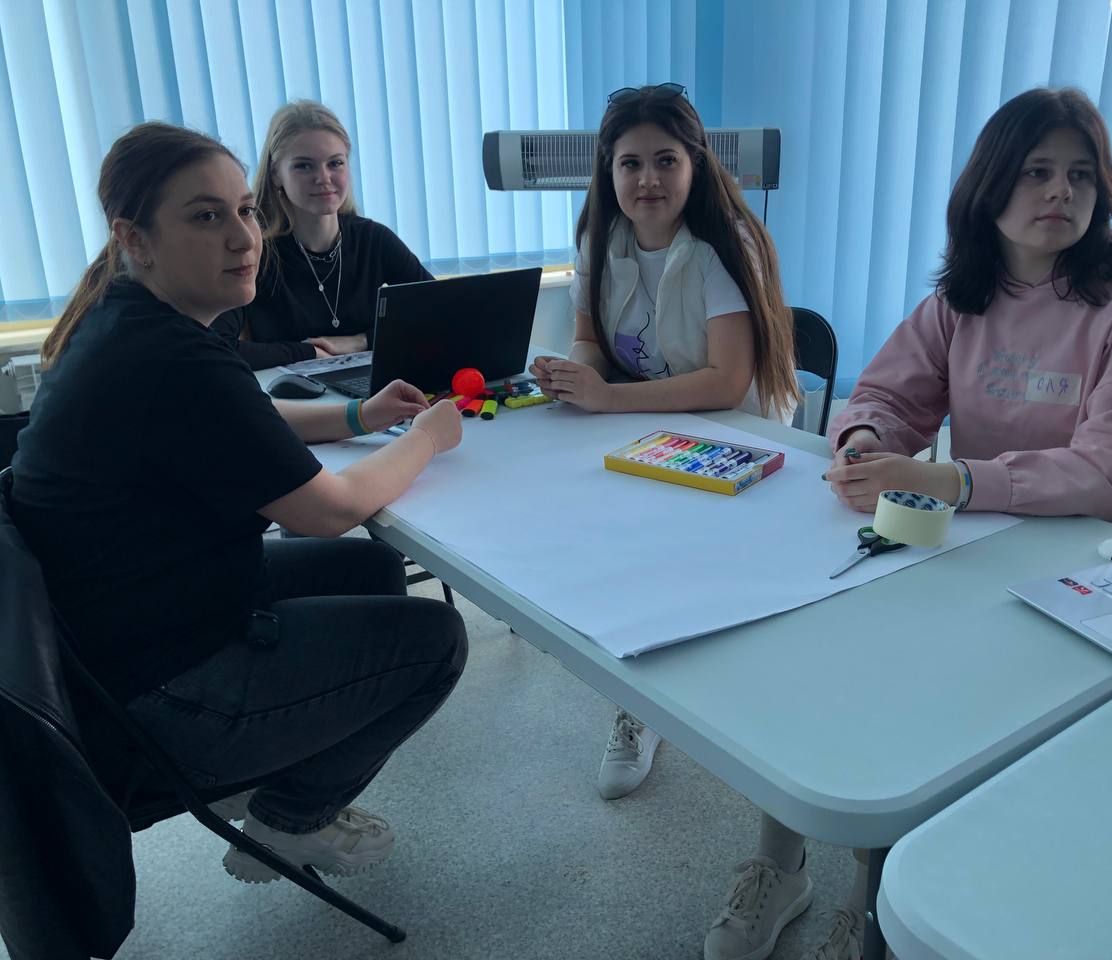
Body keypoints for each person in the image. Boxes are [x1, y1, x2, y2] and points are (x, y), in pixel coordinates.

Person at [703, 87, 1112, 960]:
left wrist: (954, 480)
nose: (1061, 191)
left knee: (931, 718)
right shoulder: (967, 289)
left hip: (1095, 564)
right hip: (986, 541)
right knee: (817, 648)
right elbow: (886, 393)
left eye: (1080, 175)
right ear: (989, 188)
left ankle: (874, 901)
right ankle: (780, 861)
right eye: (1037, 171)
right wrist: (863, 440)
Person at [9, 121, 467, 883]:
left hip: (113, 634)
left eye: (245, 211)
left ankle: (286, 755)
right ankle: (289, 820)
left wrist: (359, 415)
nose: (242, 236)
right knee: (440, 639)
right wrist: (426, 438)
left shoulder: (134, 323)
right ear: (135, 238)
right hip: (155, 692)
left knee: (370, 573)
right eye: (205, 216)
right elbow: (327, 509)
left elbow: (245, 416)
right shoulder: (172, 356)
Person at [528, 82, 801, 803]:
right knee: (628, 562)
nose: (647, 179)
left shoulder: (724, 247)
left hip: (738, 438)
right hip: (648, 426)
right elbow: (590, 340)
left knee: (703, 576)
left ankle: (724, 703)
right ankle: (641, 705)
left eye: (666, 161)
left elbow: (727, 382)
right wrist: (571, 374)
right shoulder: (599, 240)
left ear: (695, 165)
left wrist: (608, 397)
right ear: (608, 169)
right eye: (631, 163)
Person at [212, 100, 432, 369]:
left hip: (373, 385)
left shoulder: (374, 240)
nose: (323, 178)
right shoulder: (256, 252)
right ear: (276, 174)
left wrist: (361, 341)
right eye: (304, 166)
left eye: (335, 163)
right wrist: (308, 352)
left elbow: (440, 311)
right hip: (289, 391)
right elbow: (215, 347)